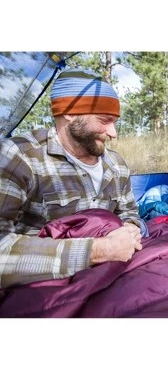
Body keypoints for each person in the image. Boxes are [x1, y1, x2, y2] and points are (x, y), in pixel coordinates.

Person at [0, 68, 147, 288]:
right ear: (70, 111)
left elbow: (128, 212)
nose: (113, 133)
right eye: (104, 120)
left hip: (110, 279)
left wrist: (130, 228)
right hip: (44, 289)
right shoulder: (19, 157)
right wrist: (97, 251)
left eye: (115, 121)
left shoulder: (117, 165)